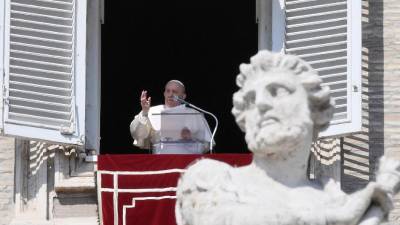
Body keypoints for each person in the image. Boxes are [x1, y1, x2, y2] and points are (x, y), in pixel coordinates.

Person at [175, 51, 400, 225]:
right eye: (251, 100)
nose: (261, 103)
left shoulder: (333, 199)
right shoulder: (213, 181)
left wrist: (378, 200)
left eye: (278, 91)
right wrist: (335, 216)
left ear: (316, 110)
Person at [130, 80, 212, 154]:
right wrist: (144, 112)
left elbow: (206, 144)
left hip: (188, 161)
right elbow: (139, 135)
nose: (170, 94)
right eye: (168, 91)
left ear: (183, 96)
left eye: (175, 92)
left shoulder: (194, 114)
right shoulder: (152, 111)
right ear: (164, 93)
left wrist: (191, 140)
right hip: (160, 161)